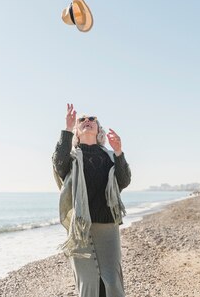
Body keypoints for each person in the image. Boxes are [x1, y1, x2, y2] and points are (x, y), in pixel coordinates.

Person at [52, 103, 132, 297]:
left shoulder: (111, 157)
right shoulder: (70, 159)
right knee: (88, 282)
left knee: (111, 282)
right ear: (77, 132)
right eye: (82, 120)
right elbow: (58, 163)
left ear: (99, 130)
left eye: (92, 120)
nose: (87, 121)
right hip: (80, 229)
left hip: (107, 226)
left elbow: (124, 180)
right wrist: (66, 129)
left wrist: (119, 152)